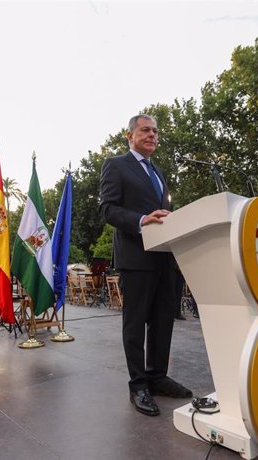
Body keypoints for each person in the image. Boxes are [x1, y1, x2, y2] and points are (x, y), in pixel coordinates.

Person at [99, 114, 191, 417]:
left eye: (155, 131)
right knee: (136, 323)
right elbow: (108, 209)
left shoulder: (159, 173)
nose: (152, 135)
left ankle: (157, 376)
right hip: (135, 258)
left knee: (164, 320)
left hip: (164, 258)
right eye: (145, 130)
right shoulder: (116, 165)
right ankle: (138, 384)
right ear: (130, 136)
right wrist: (141, 220)